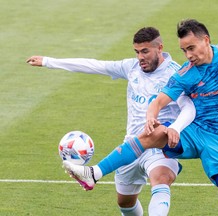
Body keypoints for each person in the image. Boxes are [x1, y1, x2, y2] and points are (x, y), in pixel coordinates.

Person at [59, 19, 218, 215]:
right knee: (155, 132)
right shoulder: (185, 74)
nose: (188, 55)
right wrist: (152, 117)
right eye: (184, 50)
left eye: (191, 48)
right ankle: (94, 173)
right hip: (195, 131)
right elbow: (159, 100)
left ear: (206, 40)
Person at [27, 27, 196, 216]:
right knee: (125, 203)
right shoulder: (131, 67)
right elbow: (95, 65)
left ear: (160, 48)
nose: (140, 57)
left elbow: (189, 107)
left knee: (161, 179)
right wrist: (49, 62)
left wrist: (175, 128)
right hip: (131, 146)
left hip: (159, 145)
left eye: (145, 51)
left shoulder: (176, 74)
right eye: (137, 52)